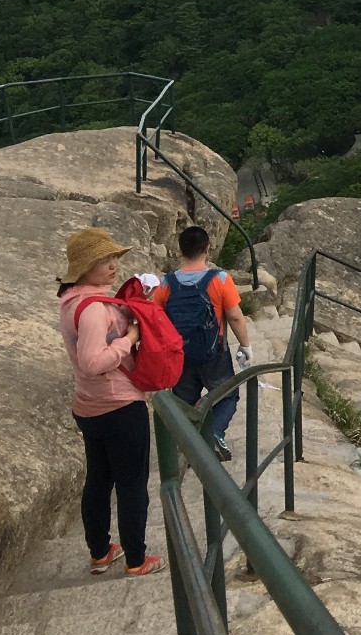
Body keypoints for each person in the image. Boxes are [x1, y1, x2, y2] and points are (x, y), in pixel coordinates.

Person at [57, 227, 164, 578]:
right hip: (117, 405)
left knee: (99, 480)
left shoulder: (72, 301)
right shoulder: (92, 310)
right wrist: (130, 338)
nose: (113, 265)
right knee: (132, 483)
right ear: (85, 267)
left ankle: (101, 552)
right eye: (104, 260)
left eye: (114, 257)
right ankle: (136, 559)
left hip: (89, 406)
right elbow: (92, 361)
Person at [155, 226, 252, 462]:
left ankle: (192, 450)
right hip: (214, 353)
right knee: (227, 395)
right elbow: (235, 316)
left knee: (184, 403)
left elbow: (157, 320)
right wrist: (245, 346)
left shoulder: (166, 283)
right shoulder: (219, 279)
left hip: (180, 355)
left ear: (180, 251)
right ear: (208, 249)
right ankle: (215, 434)